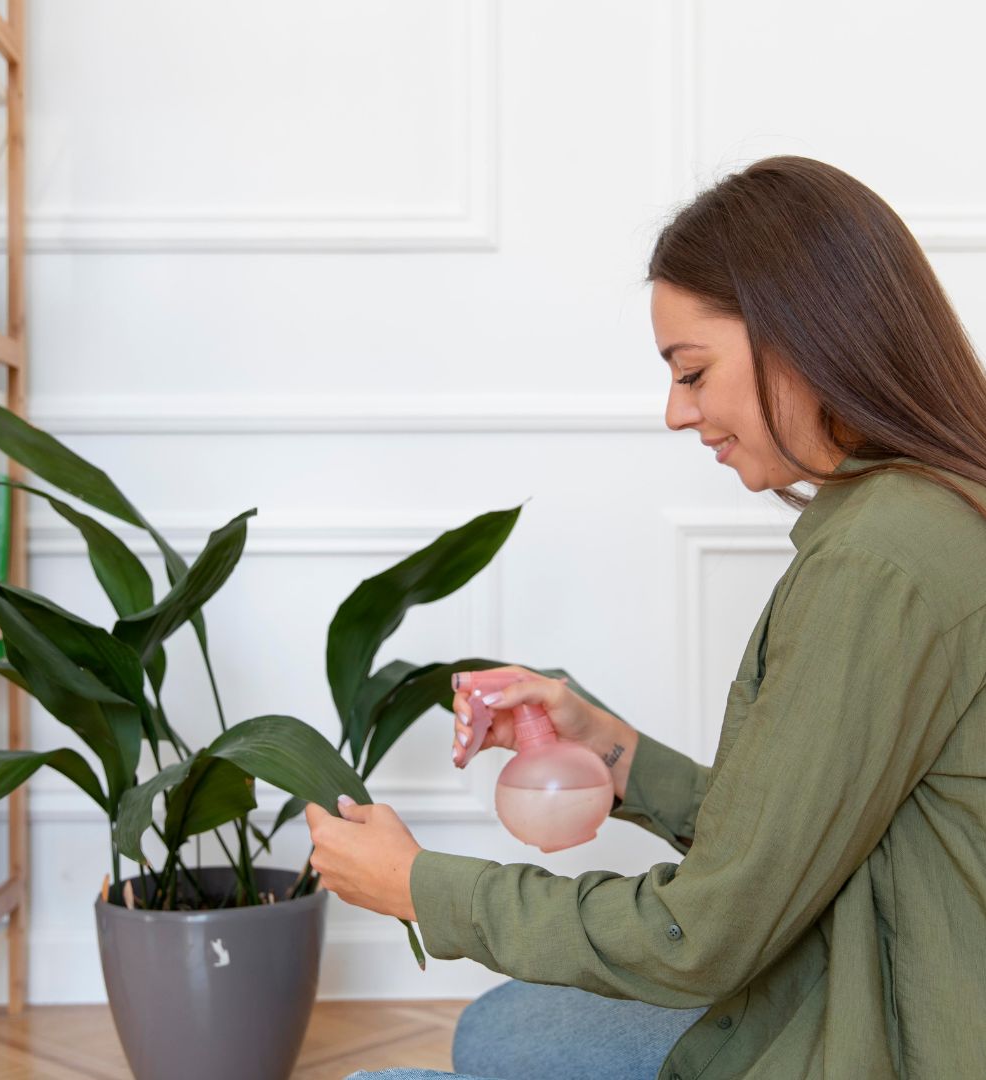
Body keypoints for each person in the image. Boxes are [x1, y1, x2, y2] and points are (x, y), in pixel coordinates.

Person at [304, 156, 986, 1079]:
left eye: (693, 371)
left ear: (805, 336)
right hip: (859, 976)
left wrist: (421, 889)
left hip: (880, 1038)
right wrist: (612, 748)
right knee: (504, 1028)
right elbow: (794, 843)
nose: (675, 412)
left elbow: (701, 933)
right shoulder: (930, 513)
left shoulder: (877, 566)